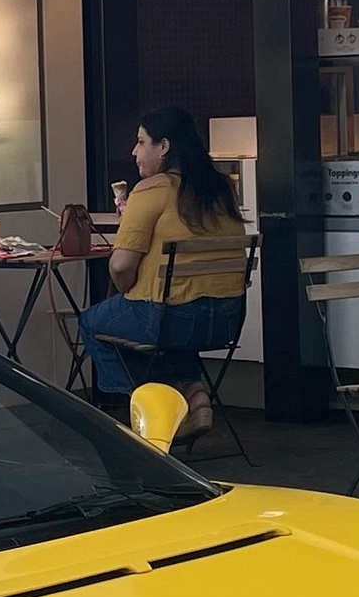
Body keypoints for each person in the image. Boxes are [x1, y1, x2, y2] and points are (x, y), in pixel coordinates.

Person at [75, 108, 248, 441]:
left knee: (93, 323)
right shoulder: (221, 188)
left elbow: (121, 266)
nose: (134, 152)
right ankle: (196, 395)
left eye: (141, 142)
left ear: (163, 146)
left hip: (170, 316)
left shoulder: (152, 189)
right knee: (171, 319)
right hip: (226, 318)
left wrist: (127, 291)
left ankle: (158, 406)